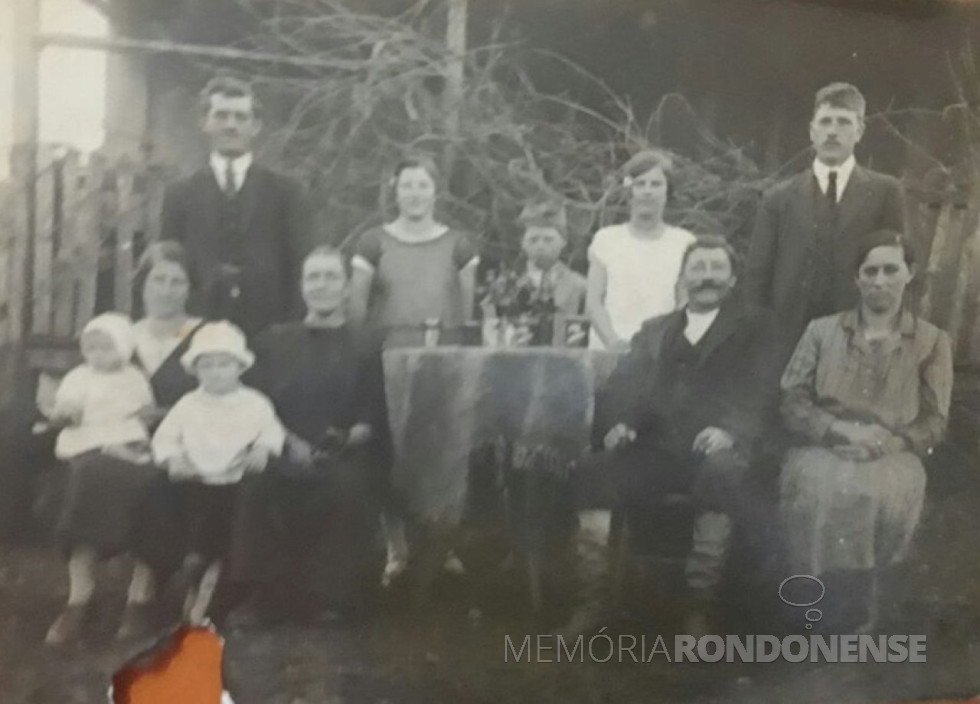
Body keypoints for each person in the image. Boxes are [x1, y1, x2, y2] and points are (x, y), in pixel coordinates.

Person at [565, 235, 779, 637]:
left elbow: (762, 390)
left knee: (722, 474)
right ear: (683, 278)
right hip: (657, 450)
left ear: (732, 279)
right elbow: (624, 384)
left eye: (717, 268)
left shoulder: (755, 328)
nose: (707, 277)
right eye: (698, 268)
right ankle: (592, 604)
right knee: (594, 471)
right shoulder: (656, 330)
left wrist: (732, 430)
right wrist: (624, 421)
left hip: (715, 452)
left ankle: (697, 612)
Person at [779, 229, 952, 633]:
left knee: (878, 495)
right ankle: (811, 606)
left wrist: (891, 441)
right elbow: (791, 399)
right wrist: (838, 430)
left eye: (890, 270)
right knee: (818, 490)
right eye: (869, 271)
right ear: (856, 278)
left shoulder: (931, 342)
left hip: (893, 452)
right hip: (823, 445)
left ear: (910, 273)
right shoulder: (821, 331)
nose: (879, 280)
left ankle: (859, 608)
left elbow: (934, 420)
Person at [243, 246, 389, 622]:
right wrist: (289, 443)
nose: (321, 285)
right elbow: (254, 404)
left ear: (345, 288)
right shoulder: (273, 340)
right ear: (302, 286)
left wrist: (340, 441)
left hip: (340, 452)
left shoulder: (367, 344)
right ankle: (265, 595)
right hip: (279, 445)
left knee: (349, 486)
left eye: (330, 277)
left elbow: (372, 415)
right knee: (257, 480)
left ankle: (328, 597)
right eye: (313, 277)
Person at [743, 82, 907, 359]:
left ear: (860, 131)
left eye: (843, 122)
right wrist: (756, 339)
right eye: (825, 122)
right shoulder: (778, 198)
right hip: (786, 338)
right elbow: (758, 275)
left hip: (857, 335)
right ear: (812, 131)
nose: (832, 131)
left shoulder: (885, 192)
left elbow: (894, 271)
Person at [151, 321, 286, 624]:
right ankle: (191, 571)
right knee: (193, 522)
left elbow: (271, 432)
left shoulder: (254, 403)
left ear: (240, 367)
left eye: (224, 364)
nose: (215, 372)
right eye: (206, 365)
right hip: (195, 479)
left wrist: (261, 450)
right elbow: (165, 438)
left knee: (232, 527)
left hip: (236, 480)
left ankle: (212, 586)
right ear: (195, 370)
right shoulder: (188, 404)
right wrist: (174, 459)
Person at [159, 75, 314, 337]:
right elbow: (168, 269)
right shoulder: (180, 194)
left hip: (269, 332)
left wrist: (290, 330)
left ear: (256, 126)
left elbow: (301, 266)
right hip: (197, 332)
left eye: (241, 118)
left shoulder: (287, 192)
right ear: (204, 122)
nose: (231, 126)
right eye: (221, 116)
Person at [43, 313, 158, 646]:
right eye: (90, 348)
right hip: (88, 435)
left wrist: (144, 418)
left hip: (124, 434)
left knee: (139, 475)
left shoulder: (134, 377)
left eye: (106, 348)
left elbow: (145, 409)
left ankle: (140, 598)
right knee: (85, 473)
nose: (97, 355)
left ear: (122, 349)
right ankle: (80, 597)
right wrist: (65, 413)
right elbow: (66, 405)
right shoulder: (79, 376)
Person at [349, 154, 480, 348]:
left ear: (436, 191)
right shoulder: (373, 242)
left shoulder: (459, 245)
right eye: (407, 186)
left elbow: (467, 317)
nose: (415, 194)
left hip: (444, 358)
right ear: (396, 192)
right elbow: (356, 315)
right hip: (386, 358)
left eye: (423, 186)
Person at [586, 149, 696, 351]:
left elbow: (685, 305)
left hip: (660, 353)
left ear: (667, 191)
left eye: (656, 184)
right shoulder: (606, 239)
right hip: (609, 351)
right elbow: (593, 303)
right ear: (630, 191)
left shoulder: (684, 242)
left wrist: (663, 344)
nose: (647, 191)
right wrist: (614, 343)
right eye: (640, 184)